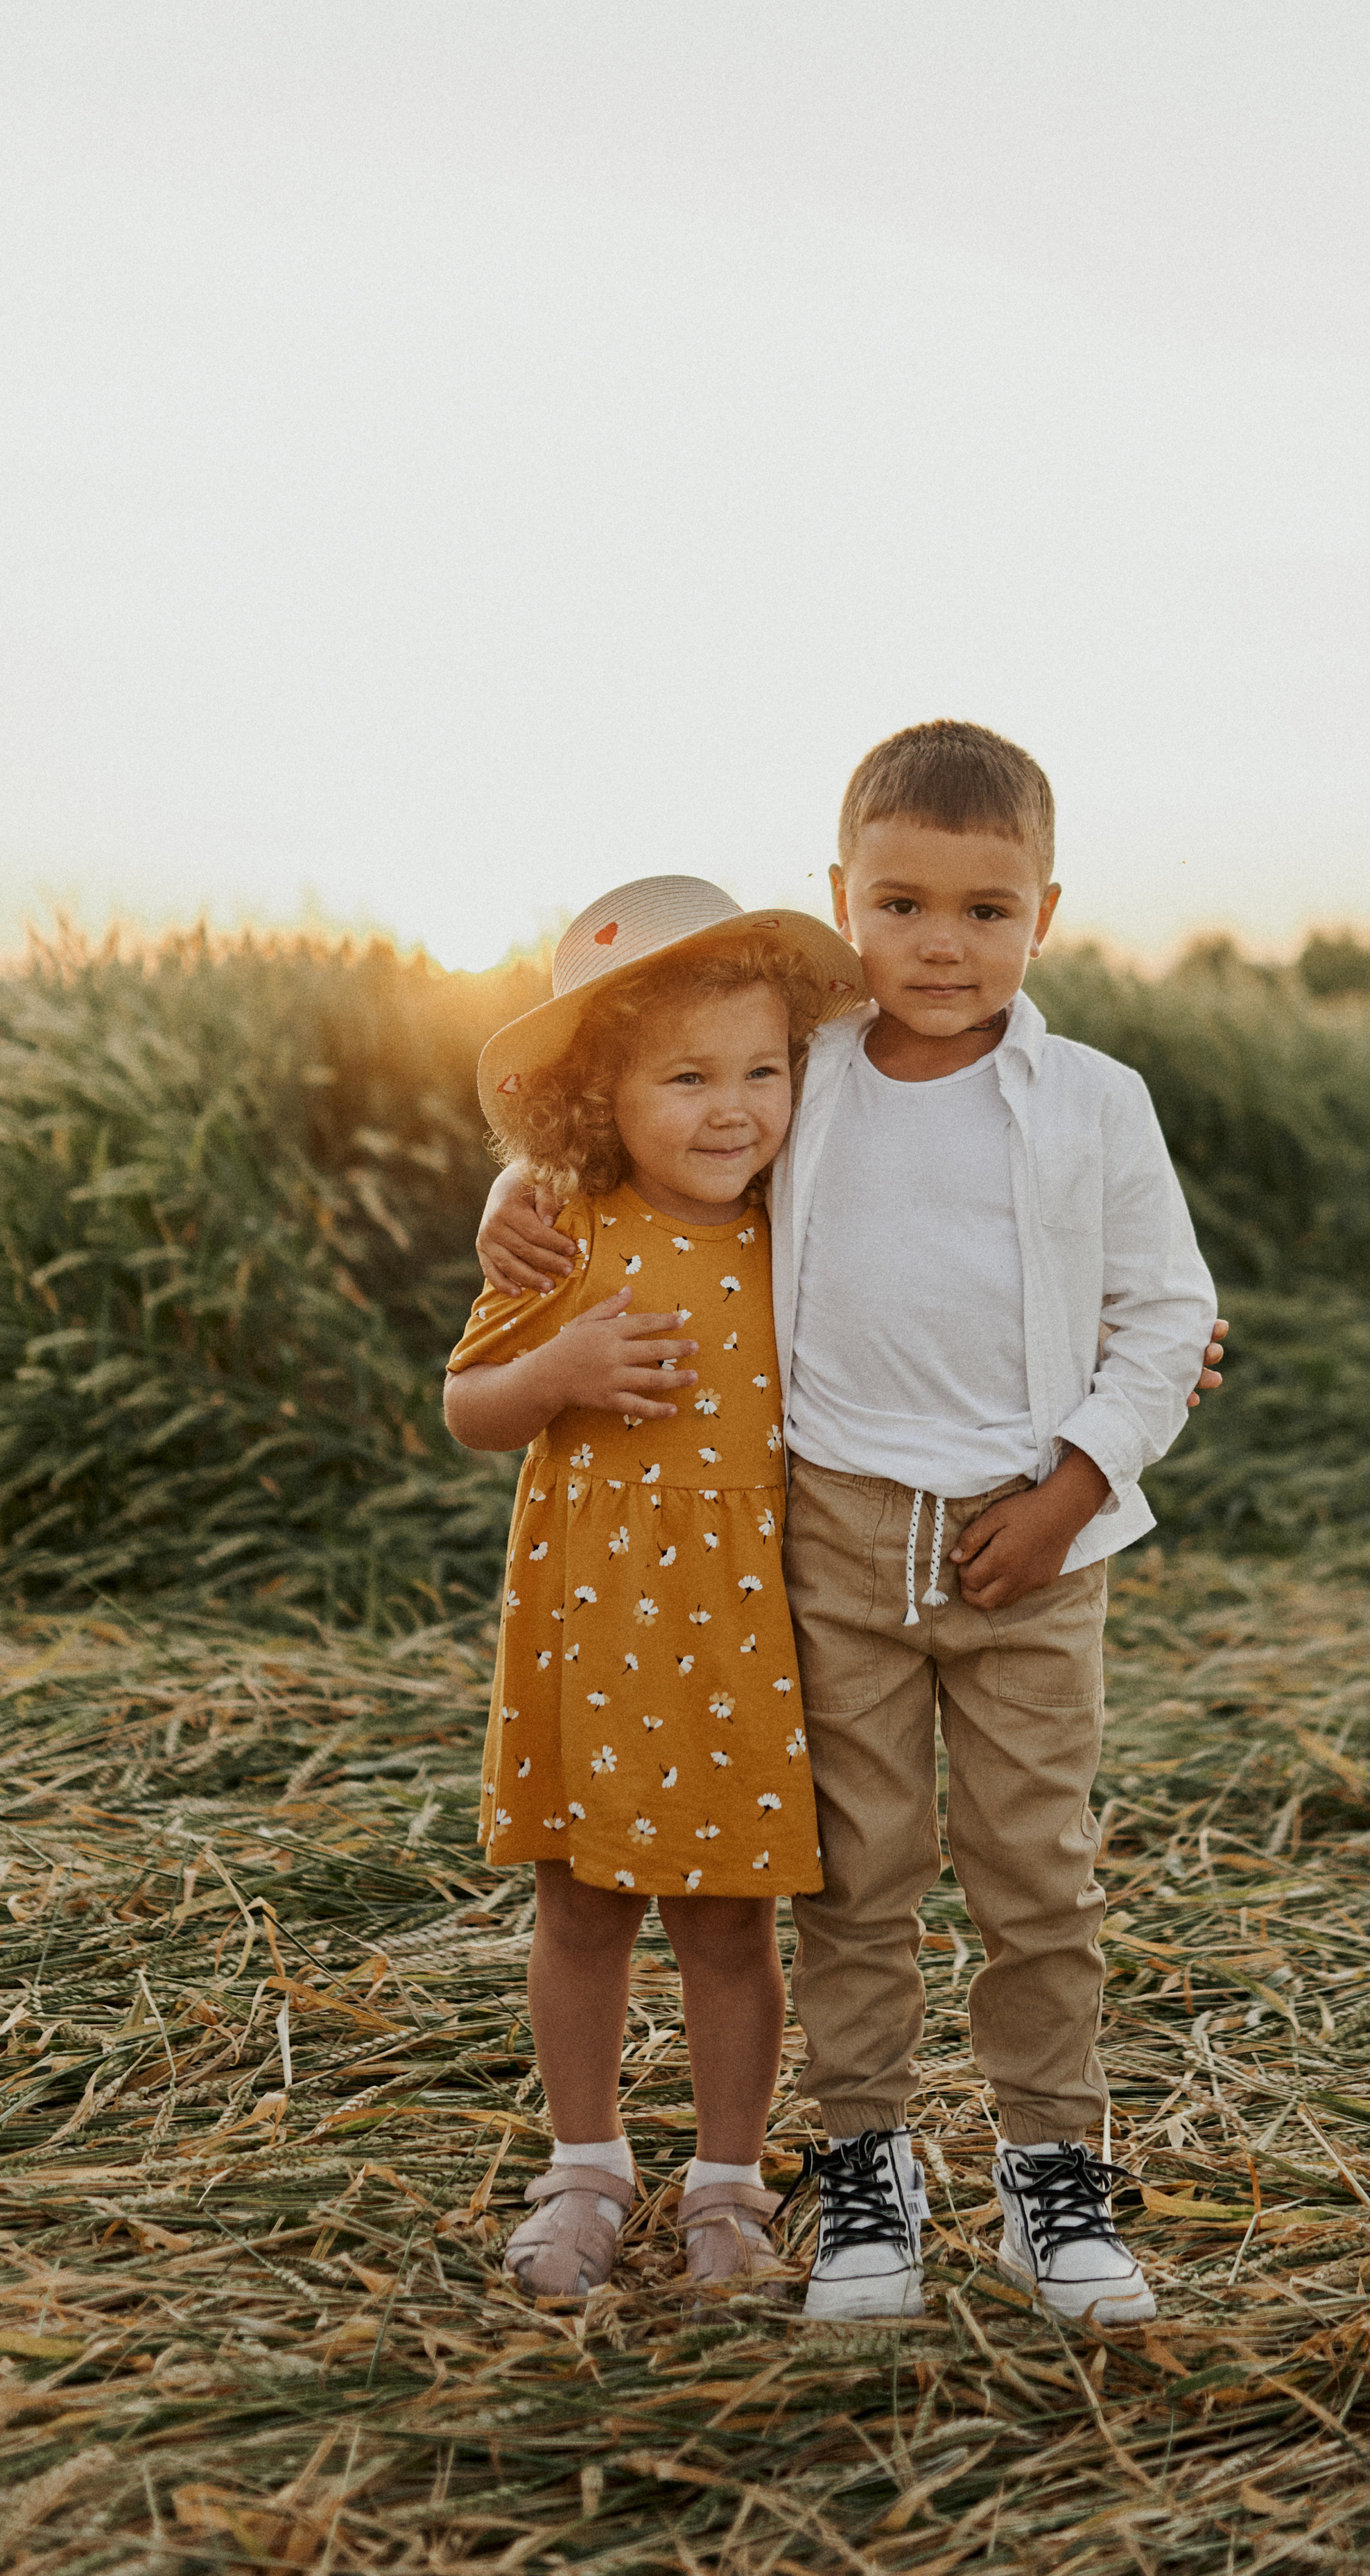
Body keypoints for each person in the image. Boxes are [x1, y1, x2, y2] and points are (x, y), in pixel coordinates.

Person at [477, 723, 1221, 2329]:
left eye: (982, 909)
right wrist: (513, 1187)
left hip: (1034, 1536)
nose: (938, 945)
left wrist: (1077, 1485)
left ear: (1044, 915)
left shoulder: (1091, 1100)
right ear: (841, 901)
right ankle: (864, 2169)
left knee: (1035, 1872)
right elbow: (653, 1135)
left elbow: (1167, 1310)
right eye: (897, 905)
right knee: (855, 1878)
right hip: (830, 1529)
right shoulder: (802, 1080)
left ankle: (1050, 2177)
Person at [443, 874, 867, 2297]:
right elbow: (468, 1404)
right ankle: (585, 2164)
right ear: (595, 1102)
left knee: (729, 1920)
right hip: (593, 1615)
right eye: (684, 1078)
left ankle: (728, 2185)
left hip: (746, 1630)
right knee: (577, 1904)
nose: (731, 1107)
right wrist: (552, 1374)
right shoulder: (564, 1224)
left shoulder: (800, 1217)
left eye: (761, 1070)